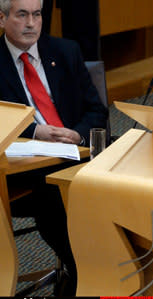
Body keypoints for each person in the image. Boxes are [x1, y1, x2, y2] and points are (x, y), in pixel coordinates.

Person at [0, 0, 108, 295]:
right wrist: (36, 131)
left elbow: (97, 112)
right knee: (55, 193)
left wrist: (77, 134)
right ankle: (84, 272)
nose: (31, 23)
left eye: (37, 15)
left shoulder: (65, 51)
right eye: (22, 15)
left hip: (78, 155)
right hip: (26, 172)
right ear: (1, 18)